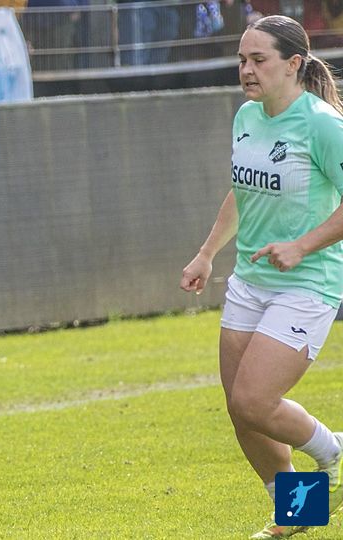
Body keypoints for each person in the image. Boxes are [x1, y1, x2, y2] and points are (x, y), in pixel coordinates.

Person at [180, 15, 343, 539]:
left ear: (293, 63)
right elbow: (241, 192)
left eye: (258, 60)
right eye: (241, 60)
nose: (247, 70)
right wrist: (206, 254)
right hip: (250, 281)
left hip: (308, 283)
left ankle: (334, 453)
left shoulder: (321, 124)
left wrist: (301, 246)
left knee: (255, 399)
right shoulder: (247, 116)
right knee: (243, 413)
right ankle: (298, 513)